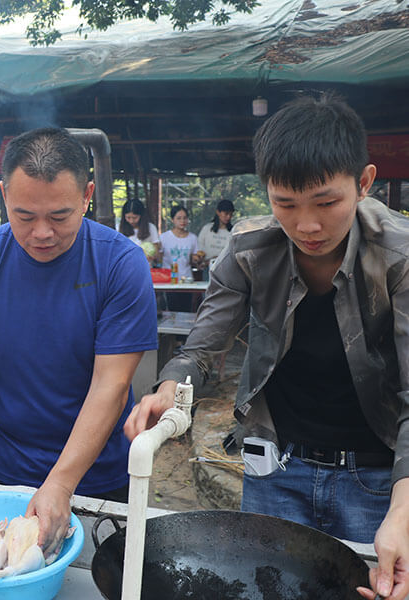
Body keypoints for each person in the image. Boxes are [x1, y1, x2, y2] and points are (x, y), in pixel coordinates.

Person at [124, 94, 409, 600]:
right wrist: (170, 388)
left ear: (364, 182)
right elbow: (201, 349)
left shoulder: (399, 256)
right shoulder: (249, 250)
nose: (307, 226)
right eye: (286, 204)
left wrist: (403, 511)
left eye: (326, 202)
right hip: (274, 469)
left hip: (374, 480)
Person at [0, 128, 157, 557]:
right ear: (4, 195)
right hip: (9, 472)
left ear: (87, 195)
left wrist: (61, 482)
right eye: (24, 216)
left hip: (98, 476)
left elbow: (110, 385)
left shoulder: (119, 264)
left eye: (59, 217)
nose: (42, 233)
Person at [118, 199, 161, 263]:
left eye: (134, 218)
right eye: (128, 217)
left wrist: (152, 256)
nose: (131, 221)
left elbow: (157, 252)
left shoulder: (151, 228)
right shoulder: (120, 228)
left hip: (146, 265)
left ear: (141, 216)